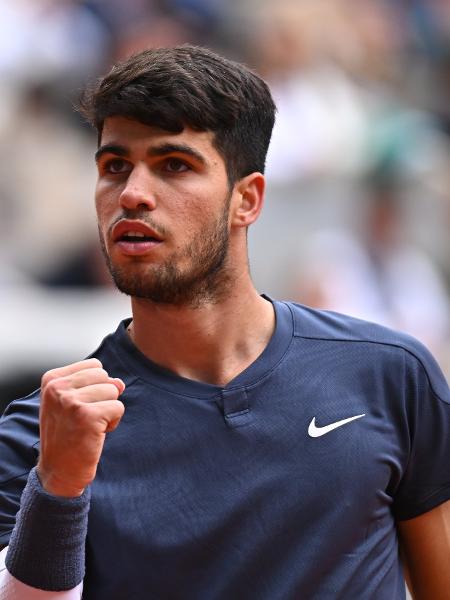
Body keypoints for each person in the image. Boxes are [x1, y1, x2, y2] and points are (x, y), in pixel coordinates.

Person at [0, 45, 449, 600]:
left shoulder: (391, 375)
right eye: (114, 166)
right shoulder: (42, 436)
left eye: (174, 165)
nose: (132, 195)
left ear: (247, 200)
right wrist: (59, 487)